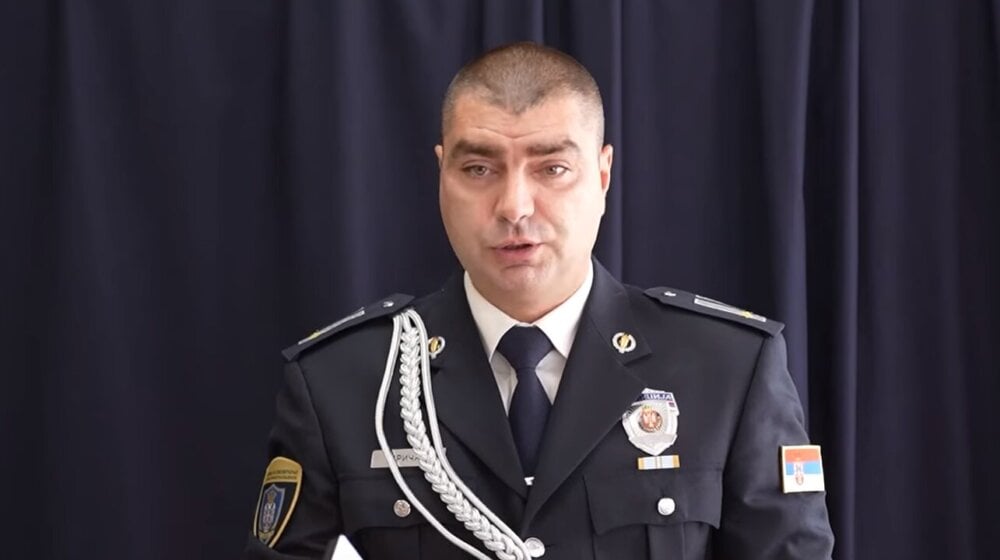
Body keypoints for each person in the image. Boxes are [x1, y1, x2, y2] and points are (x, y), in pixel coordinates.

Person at [242, 42, 834, 559]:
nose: (515, 207)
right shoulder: (340, 384)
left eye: (552, 168)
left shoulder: (727, 369)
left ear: (602, 175)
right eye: (479, 168)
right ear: (442, 175)